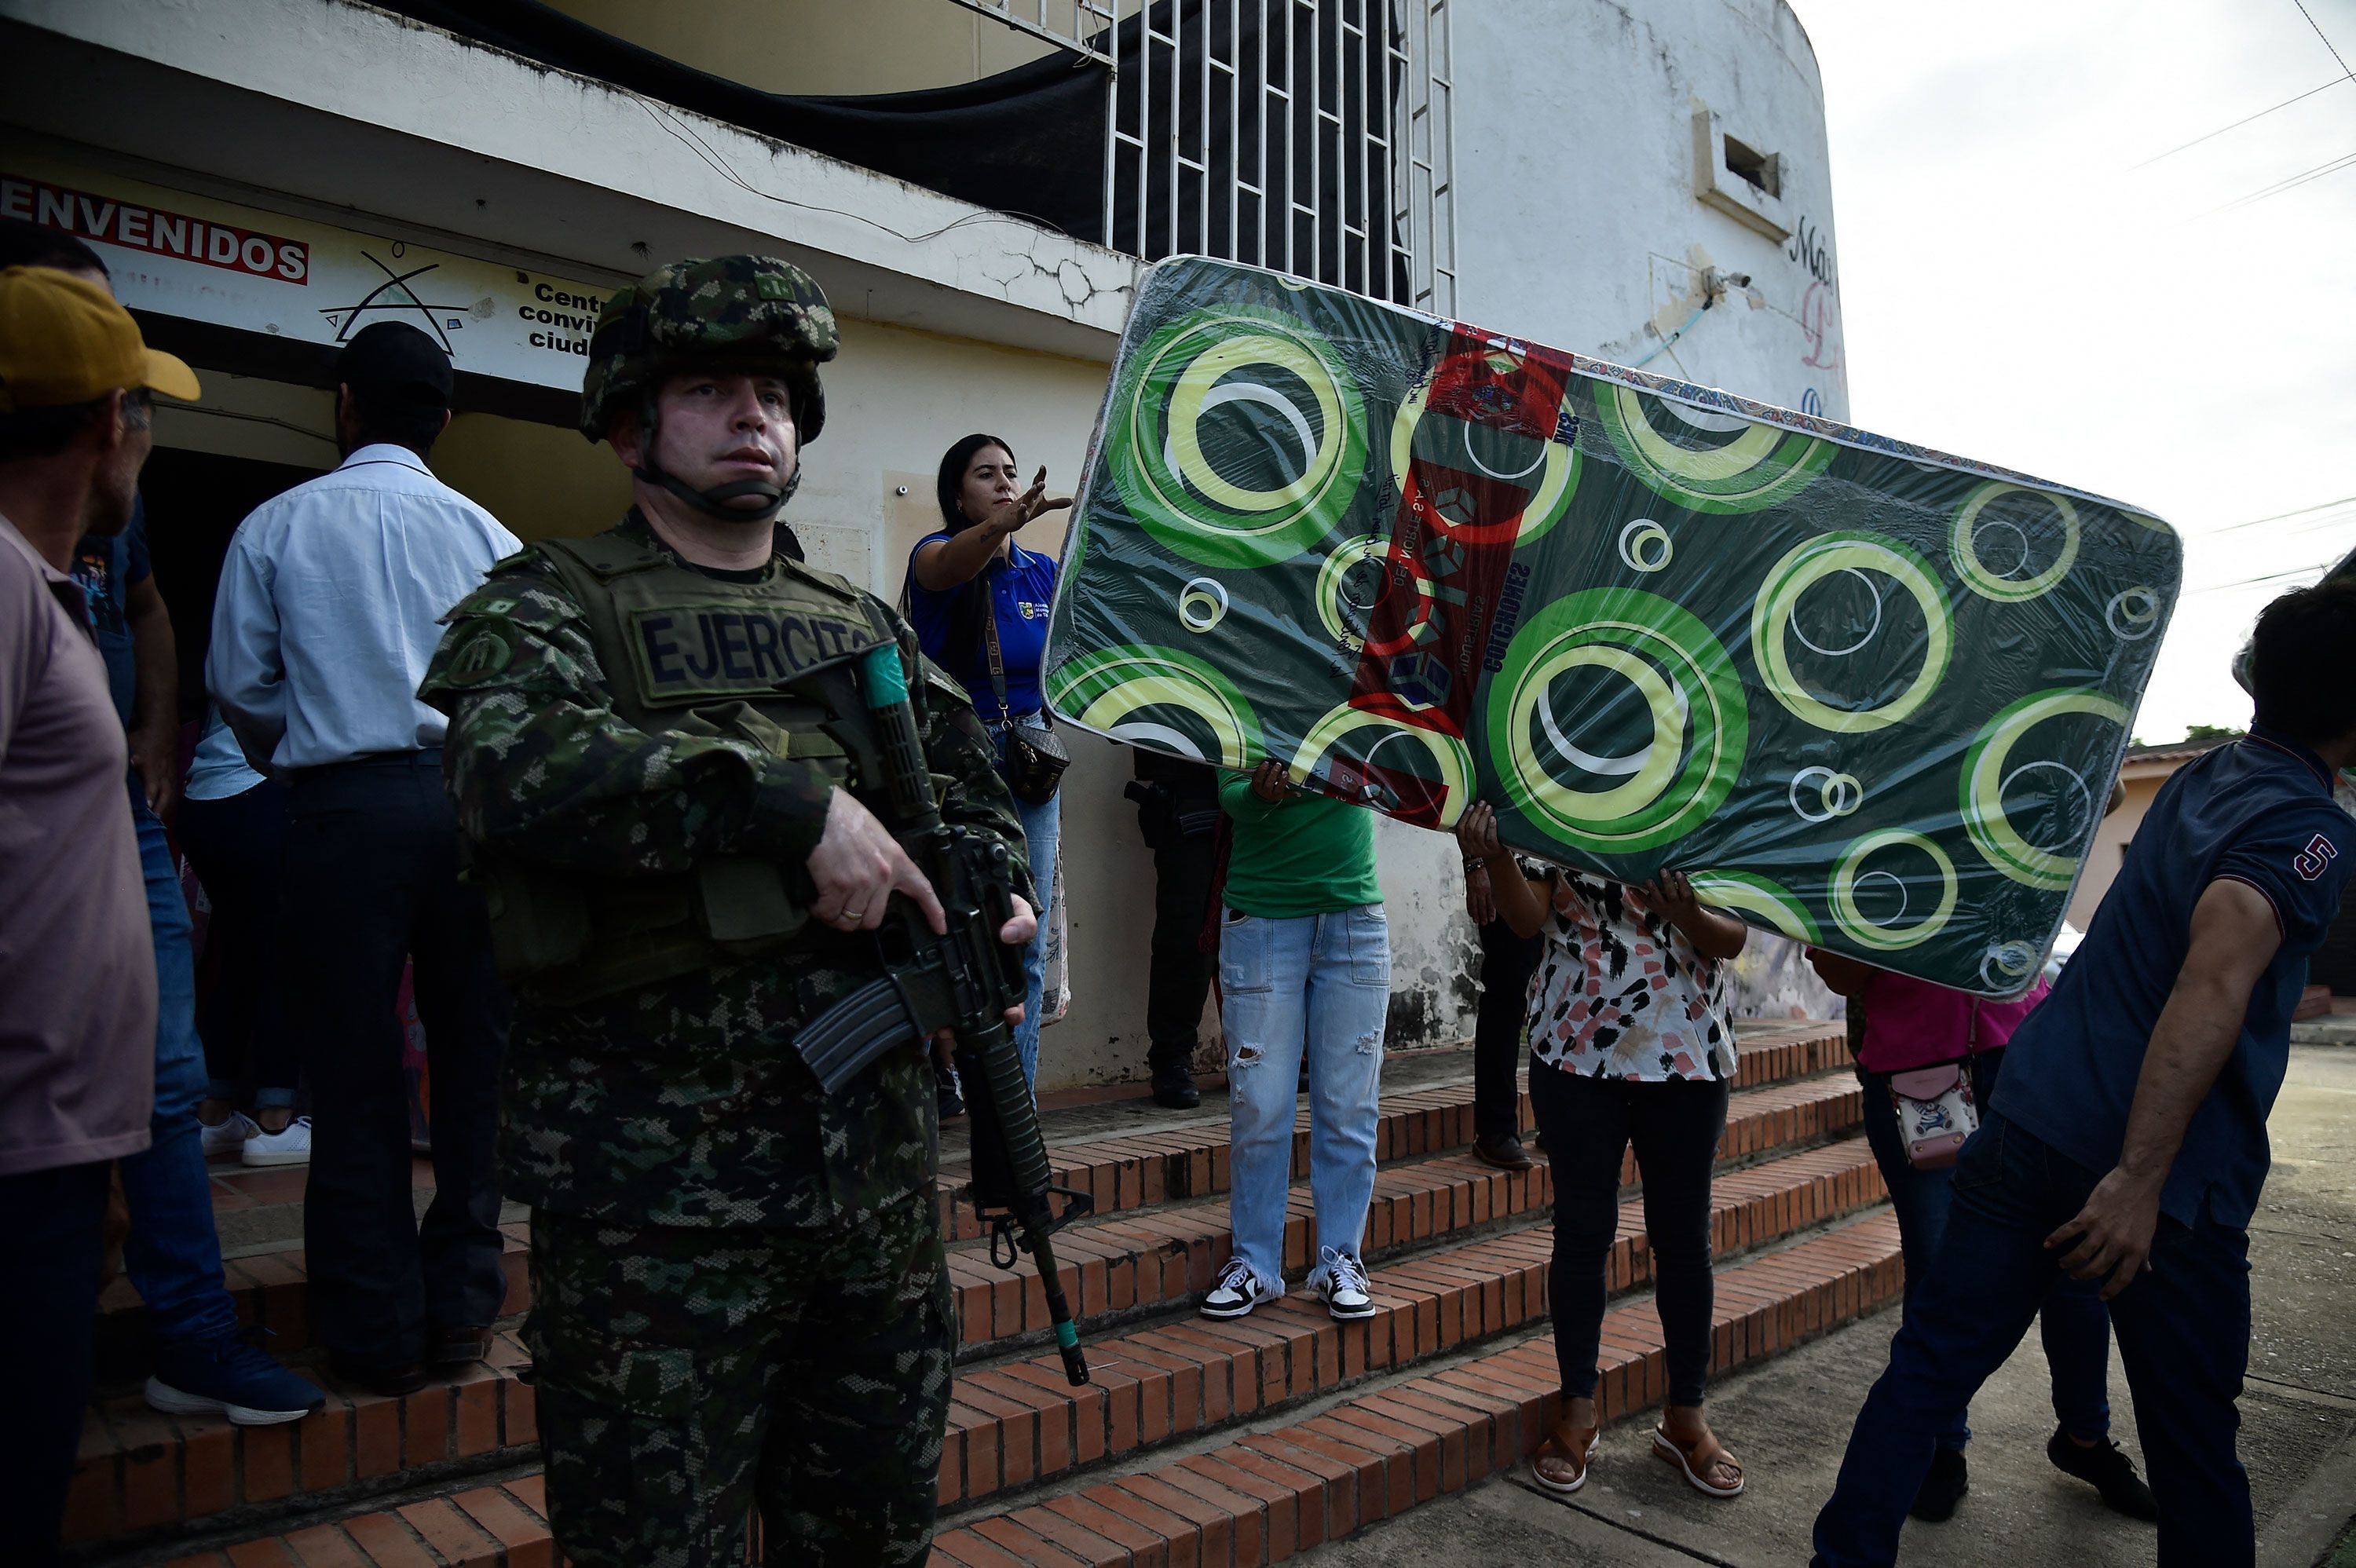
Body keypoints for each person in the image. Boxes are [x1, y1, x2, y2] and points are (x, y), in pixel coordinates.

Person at [418, 254, 1036, 1567]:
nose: (754, 415)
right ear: (632, 423)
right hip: (657, 1225)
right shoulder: (548, 605)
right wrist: (786, 803)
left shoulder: (857, 622)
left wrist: (999, 889)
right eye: (709, 389)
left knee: (871, 1539)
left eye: (773, 391)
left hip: (866, 1207)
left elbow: (970, 787)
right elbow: (512, 771)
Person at [1811, 579, 2356, 1568]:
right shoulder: (2303, 830)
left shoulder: (2205, 776)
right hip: (2153, 1183)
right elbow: (2209, 985)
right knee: (2195, 1444)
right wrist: (2140, 1179)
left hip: (2028, 1112)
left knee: (1927, 1371)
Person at [0, 222, 322, 1427]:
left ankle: (189, 1332)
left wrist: (149, 743)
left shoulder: (86, 541)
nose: (136, 413)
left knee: (164, 1070)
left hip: (114, 812)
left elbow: (148, 609)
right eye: (119, 387)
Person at [207, 320, 518, 1395]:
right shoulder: (487, 531)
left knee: (353, 1071)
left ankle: (373, 1330)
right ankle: (464, 1311)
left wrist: (305, 759)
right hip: (467, 810)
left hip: (340, 812)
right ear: (445, 418)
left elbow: (243, 690)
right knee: (472, 1065)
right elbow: (522, 696)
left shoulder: (275, 525)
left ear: (345, 403)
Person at [0, 262, 185, 1564]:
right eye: (137, 408)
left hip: (53, 1142)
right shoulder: (5, 587)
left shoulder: (54, 588)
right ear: (101, 421)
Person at [1457, 801, 1747, 1500]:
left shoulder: (1717, 787)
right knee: (1582, 1235)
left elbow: (1735, 935)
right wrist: (1493, 854)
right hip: (1576, 1048)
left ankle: (1686, 1414)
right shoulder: (1562, 787)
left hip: (1687, 1053)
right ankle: (1577, 1410)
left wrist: (1686, 917)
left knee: (1682, 1241)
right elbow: (1528, 920)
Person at [1805, 951, 2154, 1522]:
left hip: (2031, 1060)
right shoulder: (1879, 865)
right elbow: (1840, 971)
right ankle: (1941, 1445)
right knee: (1940, 1269)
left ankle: (2086, 1437)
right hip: (1920, 1073)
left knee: (2078, 1259)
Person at [903, 433, 1070, 1102]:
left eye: (1009, 471)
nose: (1004, 483)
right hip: (958, 757)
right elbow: (950, 568)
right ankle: (938, 1076)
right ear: (955, 495)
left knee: (1024, 943)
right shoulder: (934, 557)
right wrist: (997, 528)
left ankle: (1013, 1112)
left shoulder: (1040, 571)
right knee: (952, 929)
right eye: (986, 475)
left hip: (1031, 758)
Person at [1198, 758, 1389, 1321]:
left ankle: (1342, 1260)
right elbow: (1232, 794)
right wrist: (1263, 793)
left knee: (1349, 1103)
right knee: (1259, 1103)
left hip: (1352, 912)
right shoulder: (1248, 682)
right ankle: (1255, 1264)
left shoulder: (1361, 687)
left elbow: (1392, 776)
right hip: (1260, 915)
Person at [180, 702, 305, 1164]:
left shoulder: (232, 624)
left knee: (237, 952)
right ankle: (277, 1122)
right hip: (261, 785)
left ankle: (215, 1114)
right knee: (285, 952)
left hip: (206, 791)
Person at [1127, 749, 1221, 1107]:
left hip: (1259, 779)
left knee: (1262, 929)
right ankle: (1171, 1058)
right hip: (1188, 792)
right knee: (1185, 937)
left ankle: (1259, 1054)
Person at [1461, 850, 1542, 1170]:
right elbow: (1475, 802)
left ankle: (1556, 1119)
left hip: (1571, 868)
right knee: (1508, 990)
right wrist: (1475, 864)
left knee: (1566, 988)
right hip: (1510, 867)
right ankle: (1496, 1130)